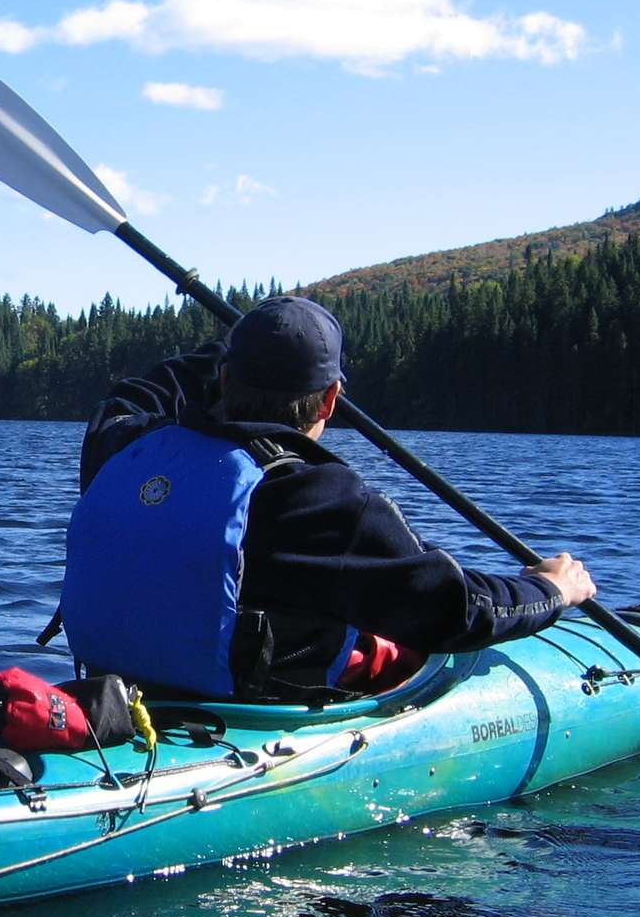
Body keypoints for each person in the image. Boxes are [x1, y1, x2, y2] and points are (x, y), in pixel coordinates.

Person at [57, 295, 596, 701]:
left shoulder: (123, 445)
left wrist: (241, 350)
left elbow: (140, 391)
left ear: (223, 376)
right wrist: (547, 589)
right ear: (331, 399)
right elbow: (455, 612)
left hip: (120, 690)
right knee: (389, 643)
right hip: (254, 710)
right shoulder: (319, 498)